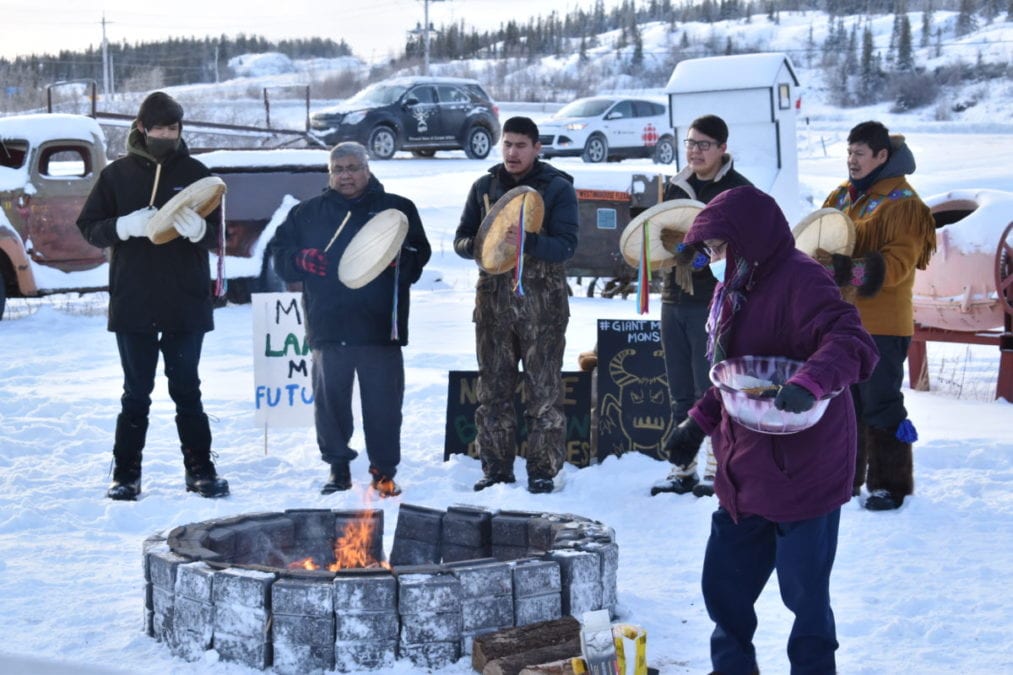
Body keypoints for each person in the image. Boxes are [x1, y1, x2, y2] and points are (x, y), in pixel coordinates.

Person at [665, 185, 878, 674]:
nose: (713, 260)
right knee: (725, 589)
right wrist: (697, 424)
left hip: (805, 471)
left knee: (805, 596)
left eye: (719, 249)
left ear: (748, 240)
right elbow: (733, 374)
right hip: (743, 470)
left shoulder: (804, 281)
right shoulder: (732, 287)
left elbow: (851, 339)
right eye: (709, 252)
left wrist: (811, 381)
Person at [77, 91, 229, 500]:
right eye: (158, 128)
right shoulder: (117, 175)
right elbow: (89, 227)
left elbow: (220, 235)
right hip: (134, 300)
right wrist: (124, 226)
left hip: (185, 300)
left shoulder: (198, 173)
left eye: (173, 128)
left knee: (187, 389)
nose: (166, 134)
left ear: (181, 130)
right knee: (136, 392)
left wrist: (202, 233)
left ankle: (200, 468)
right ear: (141, 129)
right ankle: (126, 472)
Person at [267, 142, 430, 498]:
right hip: (329, 323)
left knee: (384, 405)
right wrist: (300, 260)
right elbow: (279, 256)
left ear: (367, 169)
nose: (346, 175)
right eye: (338, 169)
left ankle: (384, 471)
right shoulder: (307, 214)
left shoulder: (396, 209)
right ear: (329, 174)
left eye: (353, 167)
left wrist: (399, 259)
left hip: (380, 325)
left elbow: (420, 254)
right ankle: (337, 467)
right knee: (331, 403)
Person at [454, 116, 579, 494]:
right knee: (492, 392)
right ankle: (495, 468)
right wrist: (482, 243)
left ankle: (543, 470)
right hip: (493, 304)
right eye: (507, 144)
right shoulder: (483, 187)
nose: (512, 152)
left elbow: (567, 246)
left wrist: (528, 241)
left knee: (543, 393)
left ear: (537, 148)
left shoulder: (557, 189)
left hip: (542, 306)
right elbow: (461, 240)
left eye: (520, 145)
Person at [822, 121, 936, 511]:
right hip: (841, 322)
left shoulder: (903, 204)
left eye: (859, 154)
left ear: (882, 156)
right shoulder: (841, 196)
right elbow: (817, 240)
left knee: (880, 403)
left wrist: (846, 271)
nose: (851, 160)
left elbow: (898, 265)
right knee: (843, 403)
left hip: (883, 327)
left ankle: (891, 484)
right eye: (849, 152)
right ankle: (845, 479)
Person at [655, 114, 752, 498]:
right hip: (673, 297)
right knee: (679, 389)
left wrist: (696, 258)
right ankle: (683, 468)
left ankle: (717, 467)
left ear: (722, 149)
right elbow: (660, 238)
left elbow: (745, 248)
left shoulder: (739, 191)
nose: (695, 151)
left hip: (714, 301)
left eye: (703, 145)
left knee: (710, 386)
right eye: (691, 143)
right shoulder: (676, 186)